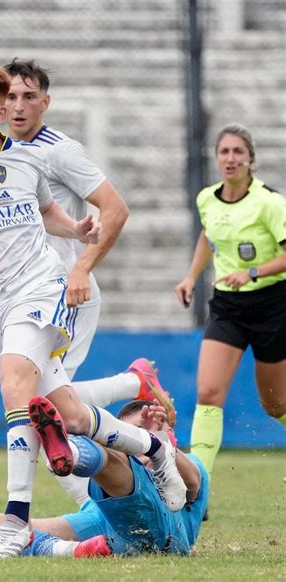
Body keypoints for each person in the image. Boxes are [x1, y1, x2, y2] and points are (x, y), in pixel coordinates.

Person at [0, 60, 186, 558]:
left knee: (14, 384)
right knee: (72, 418)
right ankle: (155, 449)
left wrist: (77, 235)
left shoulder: (29, 159)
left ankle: (16, 522)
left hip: (42, 289)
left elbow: (45, 215)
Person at [0, 58, 176, 426]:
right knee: (43, 403)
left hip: (65, 291)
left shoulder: (60, 151)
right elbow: (7, 233)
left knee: (42, 404)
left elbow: (116, 209)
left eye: (29, 97)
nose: (19, 106)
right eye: (12, 96)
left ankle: (134, 393)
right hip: (21, 295)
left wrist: (81, 269)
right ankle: (134, 386)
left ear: (45, 103)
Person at [174, 123, 286, 480]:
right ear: (217, 157)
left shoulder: (269, 202)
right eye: (224, 151)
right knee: (208, 392)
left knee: (275, 404)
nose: (230, 158)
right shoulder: (207, 198)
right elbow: (209, 236)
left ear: (251, 159)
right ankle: (198, 485)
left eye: (238, 152)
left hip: (271, 306)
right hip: (227, 307)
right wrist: (191, 277)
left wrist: (253, 272)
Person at [0, 399, 207, 557]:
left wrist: (163, 442)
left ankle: (71, 450)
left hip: (166, 537)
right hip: (110, 523)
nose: (138, 445)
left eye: (144, 435)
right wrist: (77, 548)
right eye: (133, 436)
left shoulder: (189, 466)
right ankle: (68, 550)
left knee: (115, 463)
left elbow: (193, 482)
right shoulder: (97, 511)